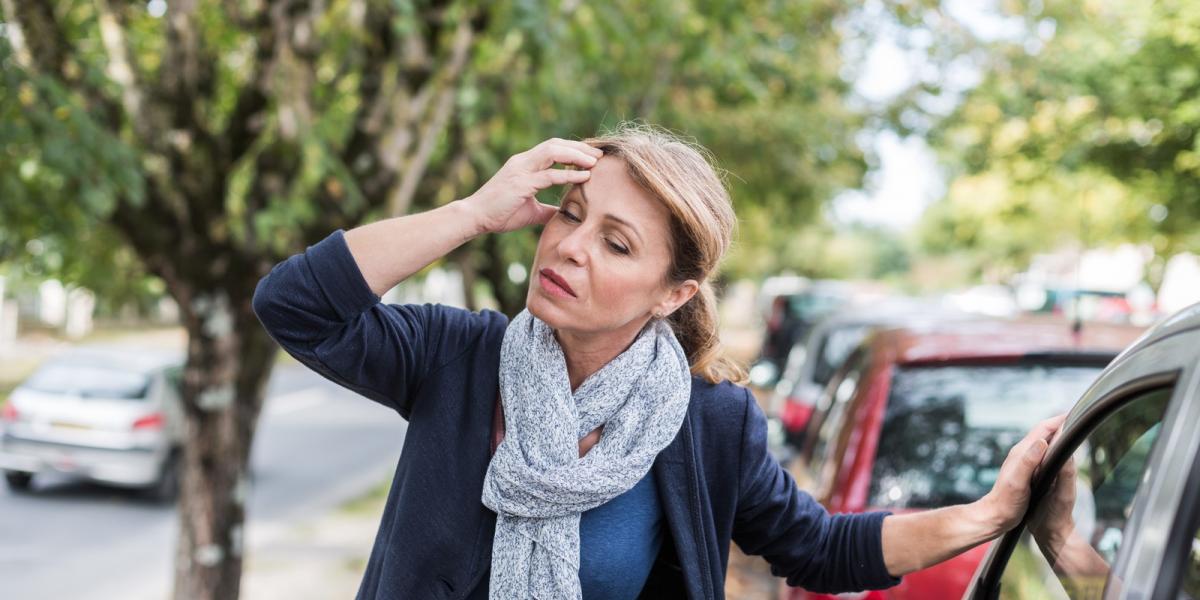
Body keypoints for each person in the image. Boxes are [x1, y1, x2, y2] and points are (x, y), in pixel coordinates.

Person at [252, 124, 1061, 599]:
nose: (569, 247)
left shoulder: (708, 421)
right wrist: (471, 213)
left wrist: (988, 515)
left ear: (673, 293)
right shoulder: (458, 359)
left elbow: (821, 547)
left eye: (615, 242)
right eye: (569, 216)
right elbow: (295, 306)